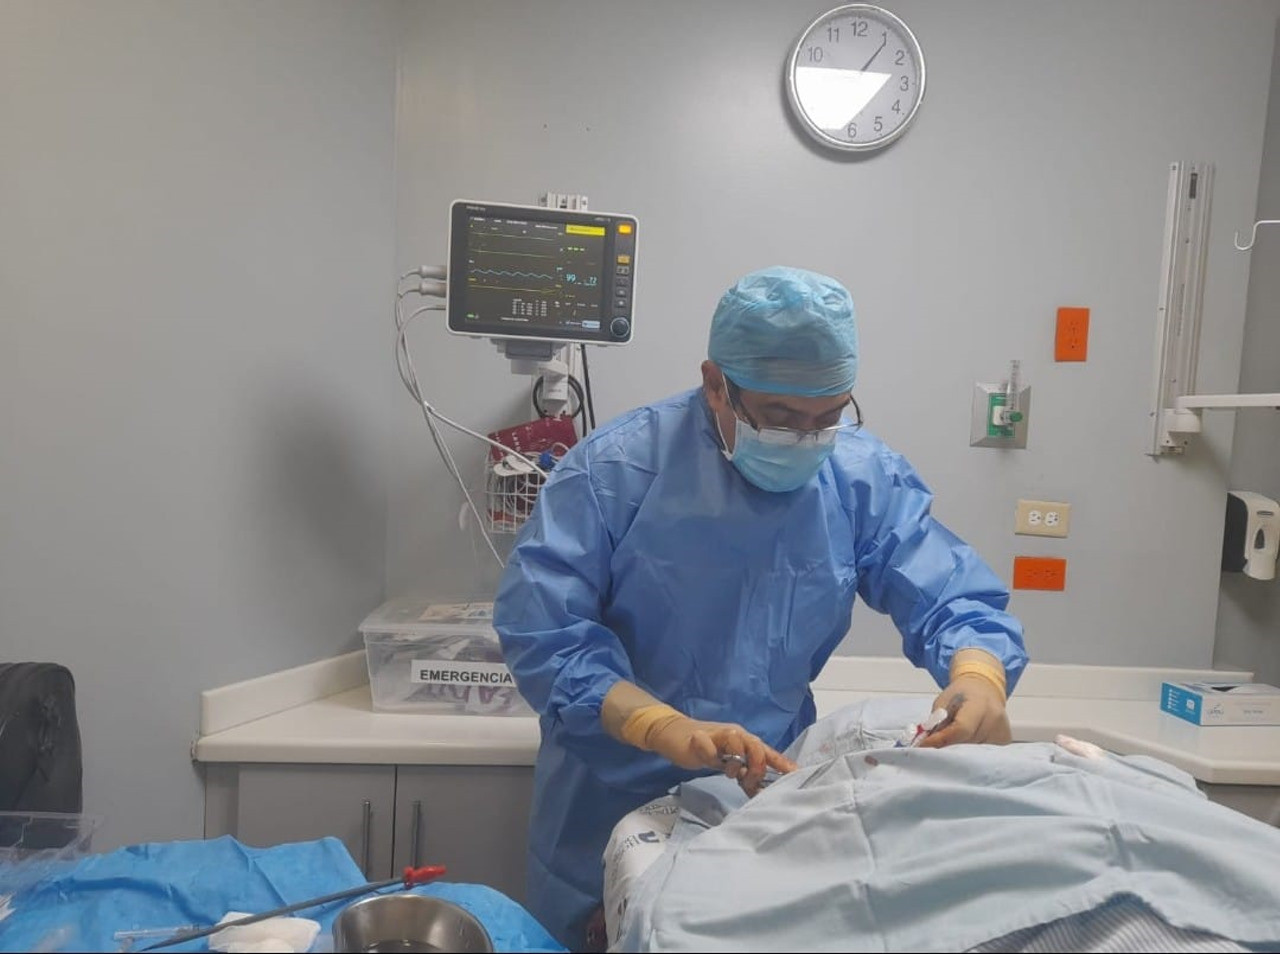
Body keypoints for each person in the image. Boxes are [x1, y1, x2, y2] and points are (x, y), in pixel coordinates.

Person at [493, 265, 1029, 951]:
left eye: (828, 417)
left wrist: (979, 674)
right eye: (780, 417)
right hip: (606, 794)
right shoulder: (615, 471)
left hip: (764, 789)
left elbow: (947, 588)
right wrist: (660, 724)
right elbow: (547, 632)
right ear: (715, 383)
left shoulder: (856, 476)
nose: (807, 438)